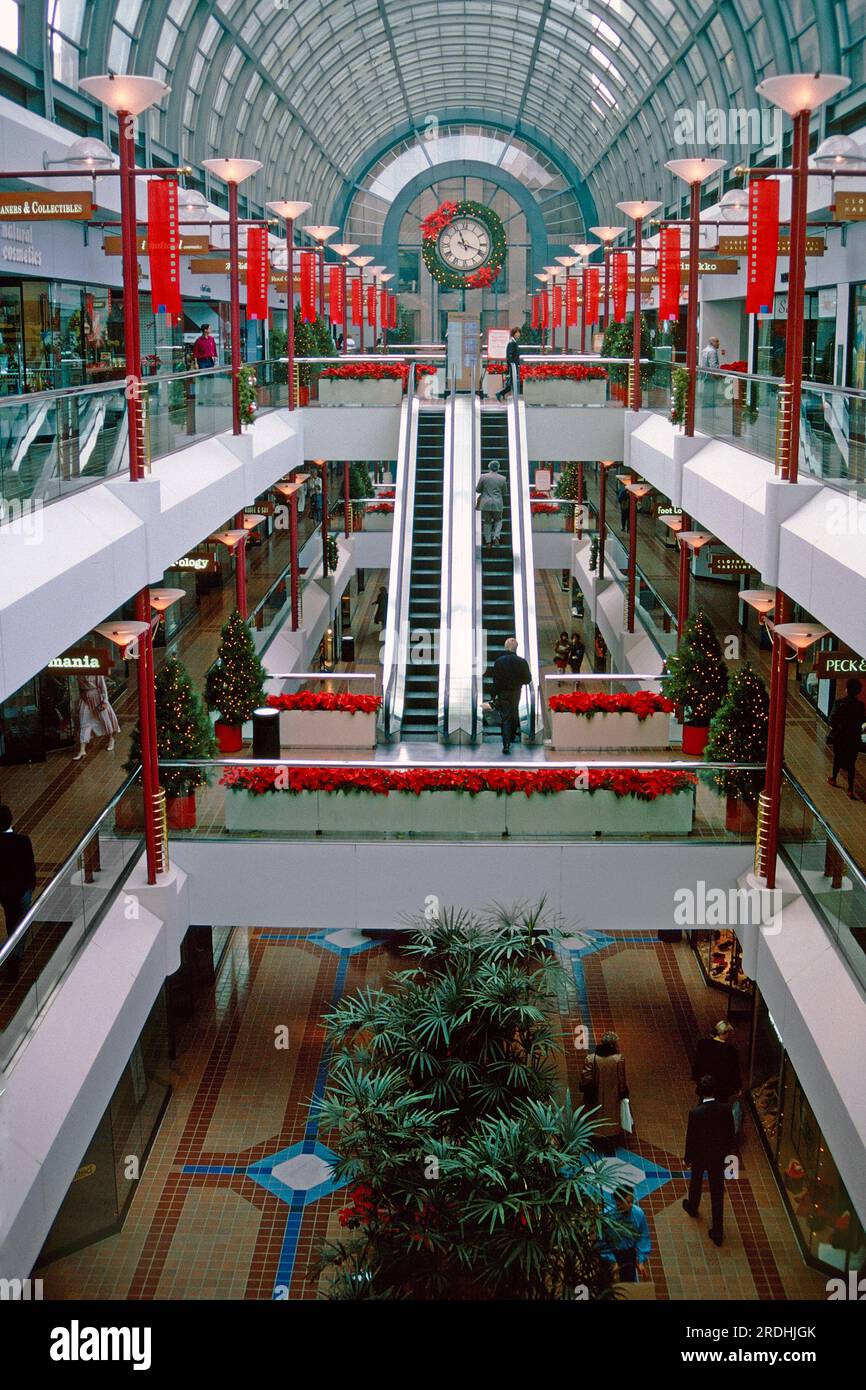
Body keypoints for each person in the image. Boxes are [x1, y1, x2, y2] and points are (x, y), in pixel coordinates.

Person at [682, 1075, 737, 1246]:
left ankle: (693, 1206)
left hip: (700, 1155)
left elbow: (691, 1137)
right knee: (717, 1191)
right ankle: (718, 1231)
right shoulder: (726, 1109)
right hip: (717, 1156)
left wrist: (688, 1157)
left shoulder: (695, 1113)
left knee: (696, 1181)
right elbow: (730, 1133)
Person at [0, 804, 36, 982]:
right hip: (22, 890)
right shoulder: (22, 840)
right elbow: (30, 865)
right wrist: (31, 885)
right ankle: (15, 957)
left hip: (5, 892)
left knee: (10, 920)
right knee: (21, 924)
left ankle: (11, 955)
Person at [580, 1030, 629, 1156]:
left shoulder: (591, 1058)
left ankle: (595, 1137)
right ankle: (608, 1141)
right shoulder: (618, 1059)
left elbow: (585, 1078)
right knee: (611, 1115)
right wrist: (623, 1092)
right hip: (612, 1095)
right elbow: (621, 1079)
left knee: (594, 1114)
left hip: (595, 1095)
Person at [599, 1187, 652, 1283]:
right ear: (618, 1202)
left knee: (628, 1282)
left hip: (628, 1254)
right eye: (627, 1202)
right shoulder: (606, 1216)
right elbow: (601, 1242)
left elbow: (643, 1237)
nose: (631, 1205)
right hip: (611, 1252)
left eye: (632, 1201)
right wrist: (612, 1261)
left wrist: (641, 1260)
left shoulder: (638, 1213)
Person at [491, 637, 532, 755]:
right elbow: (528, 679)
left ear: (505, 647)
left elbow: (496, 680)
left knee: (506, 717)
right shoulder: (522, 662)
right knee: (514, 713)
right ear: (516, 648)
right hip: (516, 692)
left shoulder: (499, 661)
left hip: (503, 693)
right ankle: (512, 736)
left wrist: (493, 695)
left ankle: (506, 743)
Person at [827, 677, 864, 799]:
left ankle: (834, 778)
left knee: (838, 757)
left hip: (840, 736)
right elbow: (862, 720)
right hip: (853, 737)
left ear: (847, 690)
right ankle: (850, 789)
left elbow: (831, 720)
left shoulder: (839, 703)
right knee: (851, 762)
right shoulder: (860, 705)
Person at [73, 674, 120, 760]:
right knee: (84, 722)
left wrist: (104, 701)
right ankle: (82, 749)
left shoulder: (97, 673)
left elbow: (103, 687)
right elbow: (79, 688)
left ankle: (110, 739)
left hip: (97, 699)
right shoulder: (80, 673)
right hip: (85, 699)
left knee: (104, 719)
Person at [476, 458, 508, 548]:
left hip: (485, 503)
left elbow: (477, 490)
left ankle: (488, 542)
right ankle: (496, 536)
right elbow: (505, 492)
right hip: (497, 503)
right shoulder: (502, 478)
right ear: (498, 468)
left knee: (487, 522)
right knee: (498, 520)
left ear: (489, 467)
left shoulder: (483, 477)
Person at [495, 326, 521, 401]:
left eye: (519, 333)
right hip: (513, 367)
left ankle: (500, 394)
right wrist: (512, 366)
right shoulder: (512, 343)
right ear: (513, 334)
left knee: (513, 383)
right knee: (513, 383)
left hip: (514, 366)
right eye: (517, 333)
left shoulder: (514, 342)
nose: (518, 334)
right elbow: (509, 356)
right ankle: (500, 393)